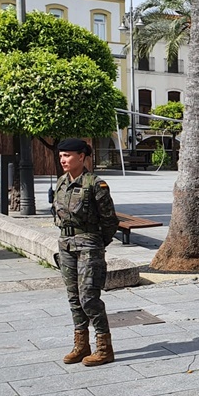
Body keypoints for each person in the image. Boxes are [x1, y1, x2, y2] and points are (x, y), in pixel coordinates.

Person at [53, 138, 120, 366]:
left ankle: (104, 348)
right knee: (74, 298)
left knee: (89, 298)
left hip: (89, 245)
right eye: (61, 155)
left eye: (68, 155)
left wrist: (98, 243)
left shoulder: (95, 184)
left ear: (82, 157)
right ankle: (81, 345)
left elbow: (110, 220)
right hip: (66, 245)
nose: (63, 159)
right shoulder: (62, 182)